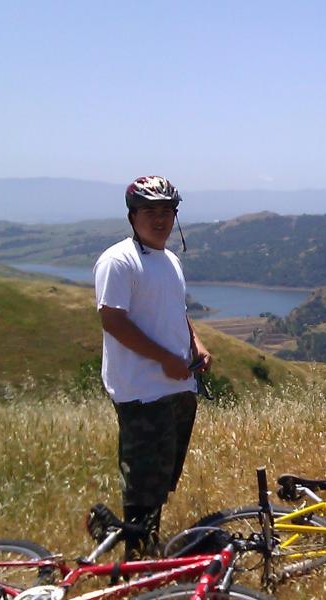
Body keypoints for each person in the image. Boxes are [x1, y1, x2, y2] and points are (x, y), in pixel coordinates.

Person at [93, 175, 211, 559]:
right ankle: (137, 561)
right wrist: (164, 359)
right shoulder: (119, 261)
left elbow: (176, 311)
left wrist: (195, 344)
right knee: (143, 483)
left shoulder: (170, 260)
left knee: (161, 478)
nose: (159, 219)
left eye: (166, 211)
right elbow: (113, 321)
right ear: (132, 216)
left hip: (177, 386)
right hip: (142, 391)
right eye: (149, 211)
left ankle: (148, 549)